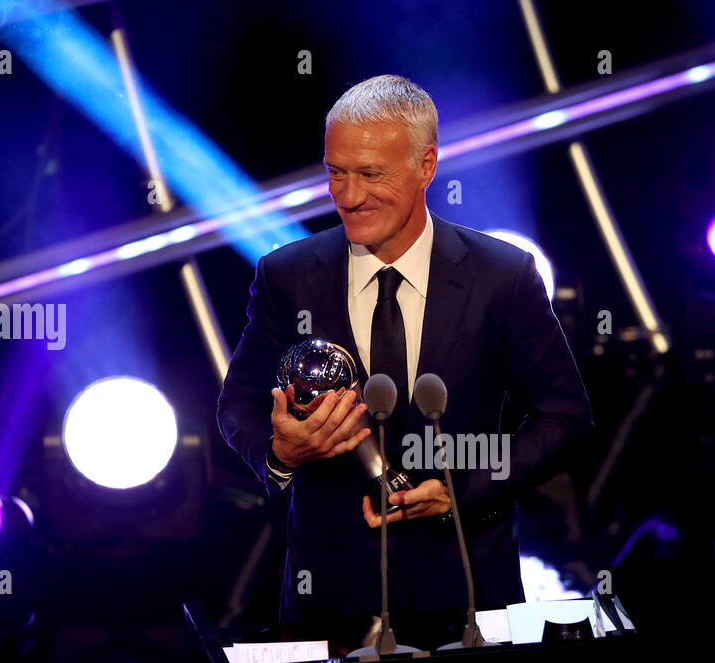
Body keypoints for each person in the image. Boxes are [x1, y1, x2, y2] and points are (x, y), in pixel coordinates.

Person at [217, 74, 592, 634]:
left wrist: (460, 490)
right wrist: (280, 453)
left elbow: (566, 418)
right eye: (336, 173)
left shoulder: (502, 275)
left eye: (371, 174)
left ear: (426, 166)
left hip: (470, 590)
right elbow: (238, 406)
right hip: (332, 600)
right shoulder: (287, 276)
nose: (348, 196)